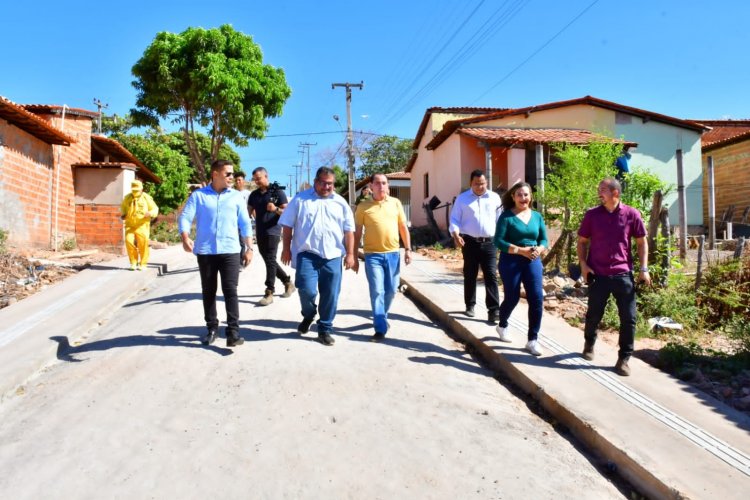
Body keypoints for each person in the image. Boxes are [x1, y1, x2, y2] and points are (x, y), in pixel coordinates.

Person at [577, 177, 651, 376]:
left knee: (629, 318)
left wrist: (644, 269)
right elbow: (582, 241)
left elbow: (642, 243)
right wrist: (583, 265)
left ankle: (624, 359)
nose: (599, 193)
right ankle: (589, 343)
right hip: (598, 274)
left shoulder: (631, 214)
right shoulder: (592, 215)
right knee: (593, 314)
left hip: (623, 274)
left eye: (603, 190)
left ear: (615, 193)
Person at [178, 159, 253, 348]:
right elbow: (185, 217)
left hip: (230, 250)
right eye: (228, 173)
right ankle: (211, 328)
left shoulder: (236, 197)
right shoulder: (199, 196)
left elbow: (245, 223)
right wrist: (185, 237)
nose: (232, 177)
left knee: (230, 290)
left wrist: (249, 247)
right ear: (215, 174)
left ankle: (233, 333)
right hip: (206, 251)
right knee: (209, 291)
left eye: (232, 174)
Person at [279, 166, 356, 346]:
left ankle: (325, 329)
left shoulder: (340, 202)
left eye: (330, 184)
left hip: (333, 255)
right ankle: (309, 314)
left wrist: (351, 254)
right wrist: (286, 248)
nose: (327, 187)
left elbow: (349, 230)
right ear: (315, 182)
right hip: (308, 254)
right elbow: (287, 225)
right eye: (323, 183)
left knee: (330, 294)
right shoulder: (300, 199)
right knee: (306, 289)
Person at [353, 173, 412, 342]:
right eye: (377, 183)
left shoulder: (396, 203)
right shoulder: (363, 206)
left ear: (388, 185)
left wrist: (407, 249)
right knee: (377, 290)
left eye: (384, 183)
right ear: (371, 186)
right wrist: (354, 255)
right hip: (373, 255)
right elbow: (357, 233)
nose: (381, 186)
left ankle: (382, 315)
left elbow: (403, 227)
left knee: (392, 290)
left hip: (393, 254)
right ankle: (380, 328)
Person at [493, 182, 548, 356]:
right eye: (519, 195)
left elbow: (544, 240)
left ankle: (532, 340)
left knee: (537, 298)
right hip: (511, 259)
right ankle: (502, 325)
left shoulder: (537, 217)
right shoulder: (506, 217)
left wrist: (539, 249)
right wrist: (520, 250)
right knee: (512, 297)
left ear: (530, 196)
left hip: (532, 259)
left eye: (526, 194)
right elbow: (498, 241)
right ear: (513, 197)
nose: (523, 198)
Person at [448, 169, 502, 322]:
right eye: (477, 184)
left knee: (491, 275)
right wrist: (456, 234)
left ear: (487, 183)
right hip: (469, 242)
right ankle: (470, 305)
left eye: (483, 183)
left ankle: (493, 310)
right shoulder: (462, 199)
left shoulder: (495, 198)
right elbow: (454, 220)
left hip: (490, 243)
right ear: (471, 183)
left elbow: (500, 220)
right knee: (470, 274)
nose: (480, 187)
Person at [248, 167, 295, 305]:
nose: (256, 181)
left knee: (270, 259)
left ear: (266, 176)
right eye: (255, 179)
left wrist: (275, 209)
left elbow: (287, 213)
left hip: (273, 230)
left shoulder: (277, 192)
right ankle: (287, 282)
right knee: (270, 261)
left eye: (259, 178)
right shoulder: (254, 195)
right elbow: (248, 212)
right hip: (260, 231)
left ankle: (269, 291)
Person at [120, 179, 158, 271]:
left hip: (142, 225)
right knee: (129, 242)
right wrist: (123, 215)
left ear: (141, 189)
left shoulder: (146, 198)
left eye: (137, 190)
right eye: (133, 190)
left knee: (143, 244)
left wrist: (150, 213)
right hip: (130, 225)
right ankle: (133, 262)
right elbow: (123, 208)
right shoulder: (127, 198)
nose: (135, 192)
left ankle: (143, 263)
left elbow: (155, 209)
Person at [234, 171, 251, 269]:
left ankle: (240, 263)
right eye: (236, 180)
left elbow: (251, 208)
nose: (237, 182)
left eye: (239, 180)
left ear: (243, 181)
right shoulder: (232, 193)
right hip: (234, 221)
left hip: (244, 222)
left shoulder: (248, 194)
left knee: (241, 241)